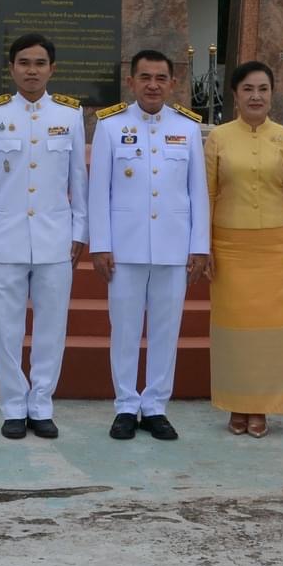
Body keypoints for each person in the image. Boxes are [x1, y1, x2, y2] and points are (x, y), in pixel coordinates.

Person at [89, 49, 210, 441]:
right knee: (124, 329)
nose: (153, 85)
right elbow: (99, 192)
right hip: (124, 248)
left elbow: (197, 192)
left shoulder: (188, 128)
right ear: (132, 81)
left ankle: (155, 405)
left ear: (172, 83)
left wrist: (199, 246)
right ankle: (125, 404)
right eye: (145, 77)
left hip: (173, 247)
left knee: (165, 329)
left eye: (161, 77)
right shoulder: (109, 126)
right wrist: (101, 244)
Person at [0, 33, 86, 441]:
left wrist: (80, 230)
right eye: (24, 62)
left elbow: (79, 181)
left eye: (40, 63)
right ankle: (13, 405)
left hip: (55, 237)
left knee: (51, 326)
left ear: (52, 69)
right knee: (5, 327)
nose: (32, 70)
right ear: (12, 68)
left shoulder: (70, 116)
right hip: (3, 235)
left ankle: (41, 404)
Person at [204, 61, 283, 437]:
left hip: (276, 248)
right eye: (248, 89)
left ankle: (263, 406)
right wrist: (205, 247)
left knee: (271, 332)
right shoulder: (218, 137)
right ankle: (236, 403)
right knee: (233, 330)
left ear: (272, 94)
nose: (256, 96)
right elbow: (209, 194)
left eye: (263, 89)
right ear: (234, 94)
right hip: (230, 246)